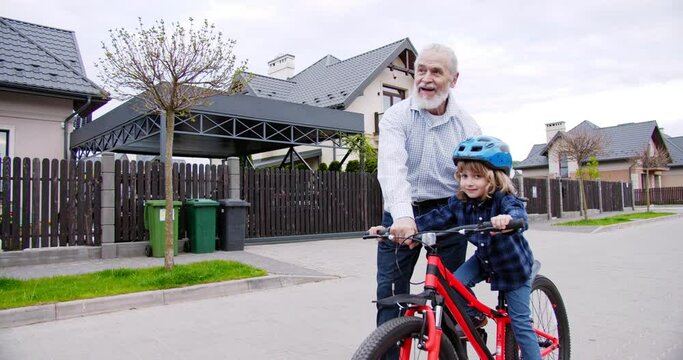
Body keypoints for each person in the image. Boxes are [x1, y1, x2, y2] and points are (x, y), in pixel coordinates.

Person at [375, 42, 481, 328]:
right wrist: (403, 216)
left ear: (453, 79)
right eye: (421, 70)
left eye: (436, 71)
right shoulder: (396, 117)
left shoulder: (467, 127)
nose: (425, 78)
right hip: (402, 213)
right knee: (390, 297)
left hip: (447, 214)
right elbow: (391, 168)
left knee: (449, 301)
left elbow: (478, 179)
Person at [414, 136, 541, 360]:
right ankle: (475, 317)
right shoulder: (460, 202)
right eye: (464, 176)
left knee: (520, 323)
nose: (468, 182)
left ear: (494, 178)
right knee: (451, 285)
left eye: (477, 176)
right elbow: (437, 217)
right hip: (484, 260)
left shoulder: (504, 199)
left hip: (514, 269)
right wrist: (407, 228)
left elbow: (518, 213)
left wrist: (507, 220)